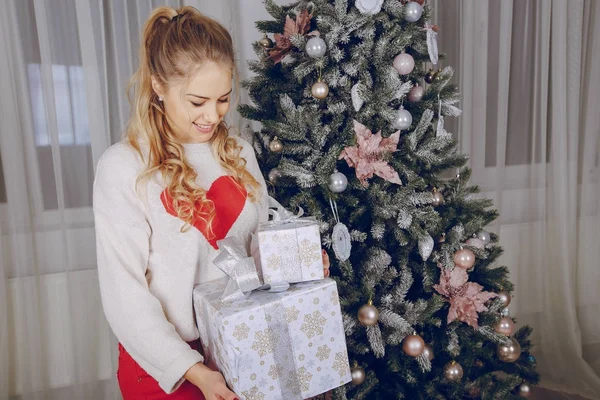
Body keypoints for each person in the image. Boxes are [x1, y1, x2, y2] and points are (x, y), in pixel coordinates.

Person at [93, 6, 329, 400]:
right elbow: (124, 294)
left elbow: (252, 249)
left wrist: (293, 263)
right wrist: (193, 371)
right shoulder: (125, 167)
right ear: (157, 86)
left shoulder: (238, 151)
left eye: (223, 99)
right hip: (167, 365)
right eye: (197, 101)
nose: (212, 116)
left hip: (246, 343)